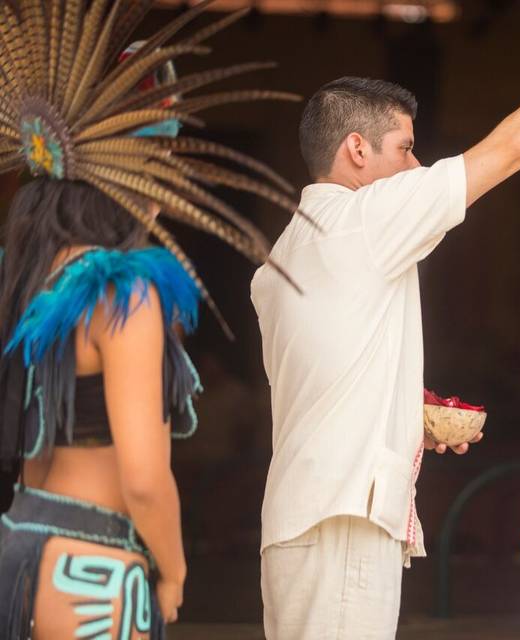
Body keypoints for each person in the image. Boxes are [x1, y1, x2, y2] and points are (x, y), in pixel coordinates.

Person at [251, 45, 520, 639]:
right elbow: (509, 151)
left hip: (302, 517)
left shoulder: (285, 255)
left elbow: (321, 378)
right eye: (404, 148)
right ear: (356, 150)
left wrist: (404, 415)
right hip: (342, 521)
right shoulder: (363, 220)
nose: (417, 166)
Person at [0, 2, 301, 636]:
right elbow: (142, 477)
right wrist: (174, 569)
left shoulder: (26, 277)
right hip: (91, 566)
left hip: (21, 544)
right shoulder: (121, 291)